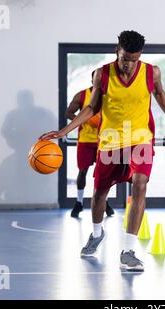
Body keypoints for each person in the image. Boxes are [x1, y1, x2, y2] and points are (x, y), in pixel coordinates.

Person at [41, 30, 165, 271]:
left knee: (140, 184)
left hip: (140, 138)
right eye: (125, 59)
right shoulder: (102, 74)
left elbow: (159, 93)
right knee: (99, 194)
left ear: (140, 56)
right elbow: (92, 107)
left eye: (134, 59)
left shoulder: (151, 72)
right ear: (118, 50)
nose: (128, 65)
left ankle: (128, 250)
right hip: (111, 142)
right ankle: (96, 233)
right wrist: (64, 131)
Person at [65, 71, 114, 218]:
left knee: (104, 175)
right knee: (83, 171)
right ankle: (79, 202)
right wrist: (84, 119)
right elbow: (68, 113)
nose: (99, 80)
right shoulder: (82, 95)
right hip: (86, 140)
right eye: (96, 78)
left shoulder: (110, 96)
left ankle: (103, 201)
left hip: (104, 141)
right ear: (92, 79)